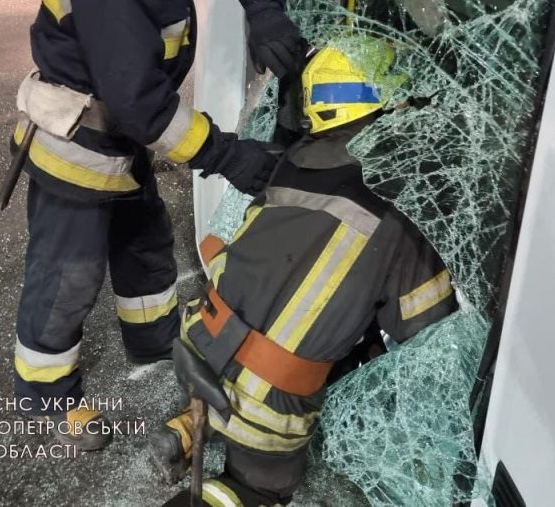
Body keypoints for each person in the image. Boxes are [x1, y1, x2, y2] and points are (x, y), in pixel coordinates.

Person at [7, 0, 306, 451]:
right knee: (68, 277)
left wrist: (264, 4)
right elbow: (141, 105)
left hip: (123, 151)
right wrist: (228, 155)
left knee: (145, 252)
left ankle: (152, 347)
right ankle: (44, 400)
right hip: (77, 153)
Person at [152, 39, 459, 506]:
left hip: (203, 338)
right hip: (267, 408)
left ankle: (193, 423)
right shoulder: (398, 209)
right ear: (388, 105)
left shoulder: (289, 166)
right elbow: (428, 333)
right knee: (254, 490)